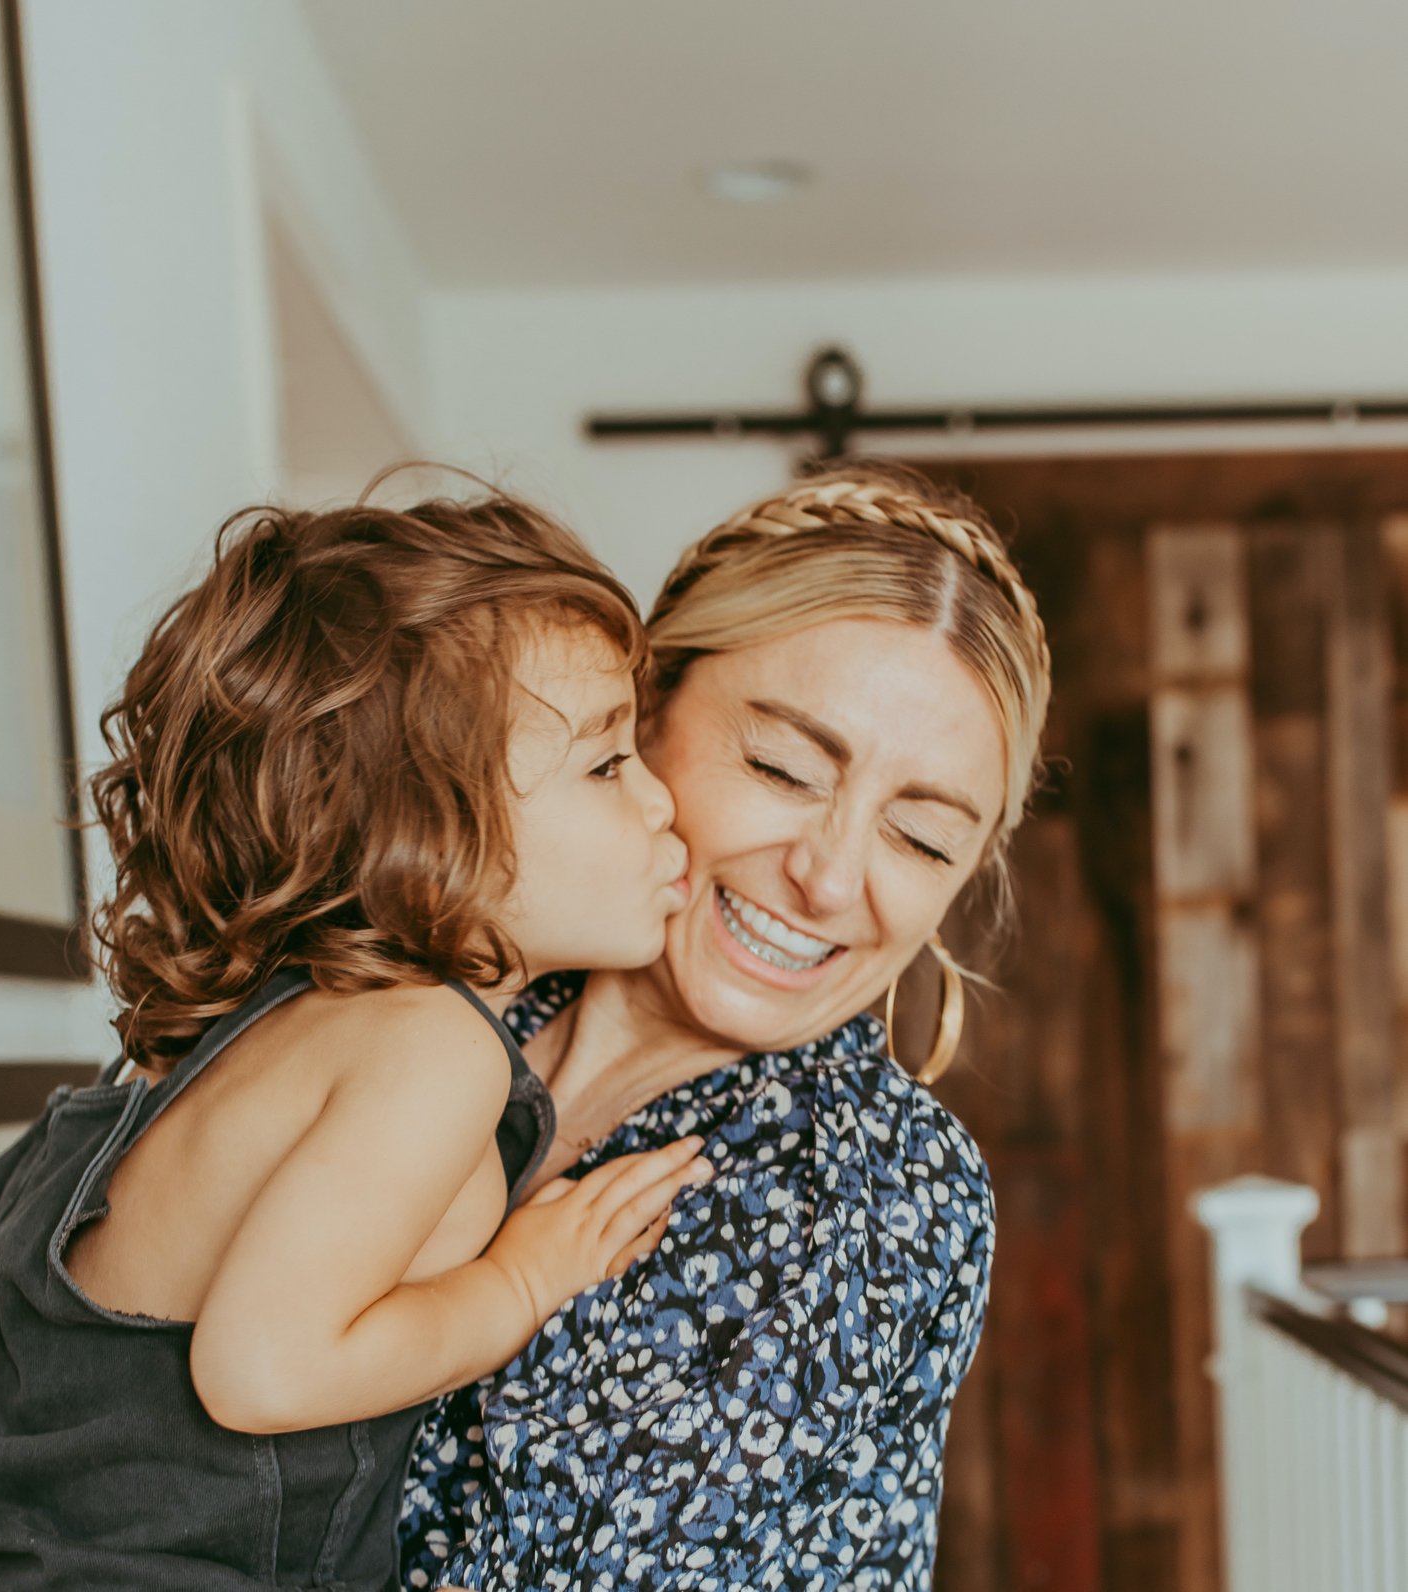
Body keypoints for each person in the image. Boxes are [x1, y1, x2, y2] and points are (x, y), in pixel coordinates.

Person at [0, 481, 713, 1592]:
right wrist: (515, 1284)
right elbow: (262, 1370)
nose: (663, 804)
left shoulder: (284, 1023)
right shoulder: (428, 1045)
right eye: (608, 765)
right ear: (418, 836)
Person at [402, 462, 1052, 1591]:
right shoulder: (435, 990)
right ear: (641, 717)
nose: (829, 875)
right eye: (781, 767)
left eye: (923, 839)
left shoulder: (874, 1189)